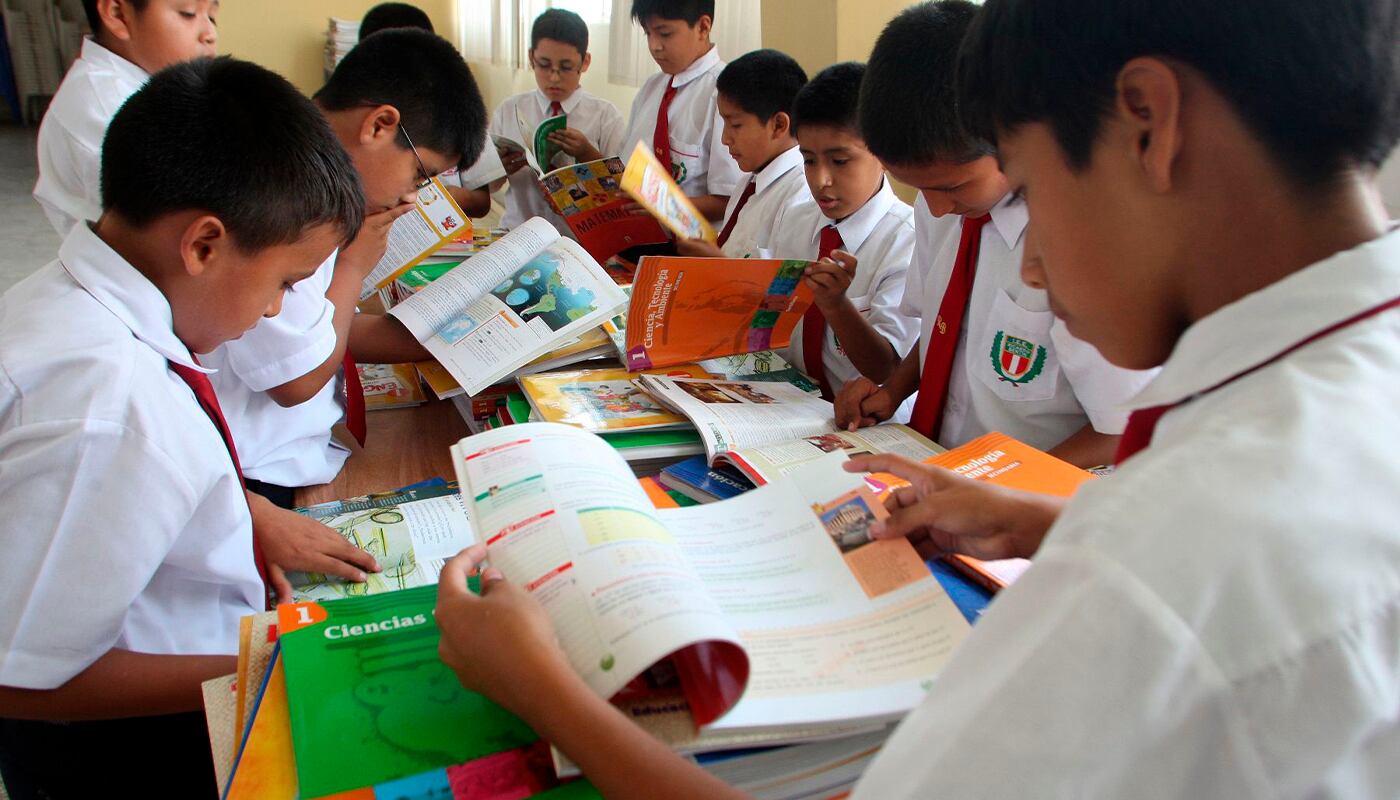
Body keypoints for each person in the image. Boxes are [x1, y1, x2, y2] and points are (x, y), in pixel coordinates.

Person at [431, 0, 1400, 796]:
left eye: (1024, 183)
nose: (1026, 254)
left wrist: (546, 689)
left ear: (1147, 123)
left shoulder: (1154, 574)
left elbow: (1194, 586)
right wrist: (1049, 518)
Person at [0, 57, 366, 798]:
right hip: (124, 747)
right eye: (284, 284)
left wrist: (241, 515)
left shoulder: (84, 306)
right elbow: (20, 676)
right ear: (202, 245)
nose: (272, 312)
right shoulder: (112, 406)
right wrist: (276, 665)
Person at [203, 30, 485, 596]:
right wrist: (354, 265)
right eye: (421, 175)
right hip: (257, 477)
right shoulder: (282, 191)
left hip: (289, 460)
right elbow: (297, 377)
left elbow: (324, 330)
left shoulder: (318, 181)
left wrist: (467, 336)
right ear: (380, 124)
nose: (414, 199)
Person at [835, 1, 1154, 467]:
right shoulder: (936, 204)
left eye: (953, 186)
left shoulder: (1077, 244)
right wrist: (895, 389)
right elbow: (948, 326)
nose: (939, 207)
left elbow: (1121, 429)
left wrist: (992, 489)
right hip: (936, 460)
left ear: (1013, 137)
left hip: (1024, 499)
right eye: (919, 188)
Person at [766, 62, 916, 402]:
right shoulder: (796, 218)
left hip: (863, 422)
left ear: (882, 151)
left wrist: (836, 306)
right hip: (788, 401)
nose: (821, 180)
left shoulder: (907, 241)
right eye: (808, 160)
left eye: (840, 161)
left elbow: (888, 370)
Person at [34, 0, 218, 237]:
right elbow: (187, 219)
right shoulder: (107, 108)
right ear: (118, 14)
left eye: (212, 17)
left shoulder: (155, 90)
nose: (210, 34)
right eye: (188, 14)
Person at [357, 2, 502, 217]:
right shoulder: (358, 119)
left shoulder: (458, 114)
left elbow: (481, 203)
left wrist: (447, 196)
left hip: (447, 243)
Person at [492, 8, 627, 236]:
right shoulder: (510, 110)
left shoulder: (605, 116)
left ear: (585, 62)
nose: (554, 77)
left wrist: (586, 153)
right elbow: (488, 186)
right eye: (544, 65)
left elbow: (622, 189)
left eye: (565, 67)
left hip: (580, 241)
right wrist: (499, 168)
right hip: (517, 233)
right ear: (530, 57)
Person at [674, 48, 809, 258]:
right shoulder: (747, 184)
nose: (725, 139)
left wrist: (717, 263)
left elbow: (787, 288)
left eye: (735, 125)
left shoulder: (801, 195)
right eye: (724, 124)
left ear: (779, 125)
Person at [621, 0, 743, 222]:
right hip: (635, 237)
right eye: (648, 34)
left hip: (690, 247)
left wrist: (664, 204)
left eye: (665, 34)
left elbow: (733, 200)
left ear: (703, 27)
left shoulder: (725, 94)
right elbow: (626, 169)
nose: (654, 46)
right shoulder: (651, 88)